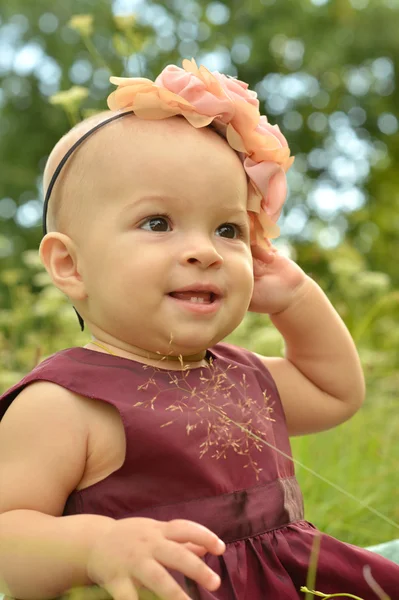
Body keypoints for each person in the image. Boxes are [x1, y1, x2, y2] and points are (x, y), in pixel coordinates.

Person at [0, 58, 397, 600]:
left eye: (228, 229)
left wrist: (298, 299)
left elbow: (336, 393)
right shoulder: (64, 403)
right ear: (70, 266)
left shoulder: (245, 375)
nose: (204, 251)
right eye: (157, 223)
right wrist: (95, 546)